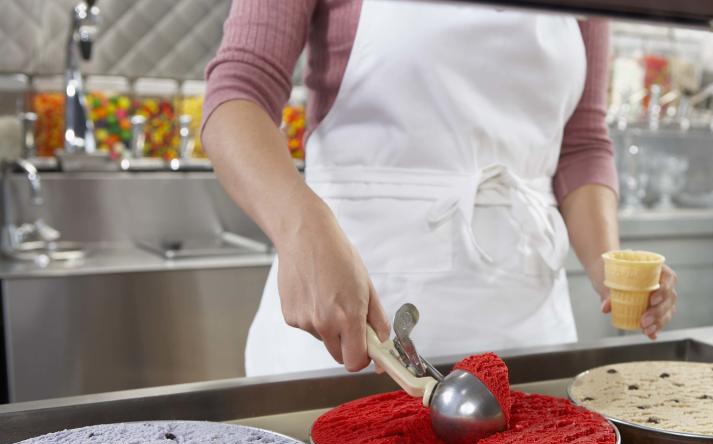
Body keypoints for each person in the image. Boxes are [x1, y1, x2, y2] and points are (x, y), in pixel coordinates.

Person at [202, 0, 679, 375]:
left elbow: (581, 143)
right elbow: (238, 93)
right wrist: (300, 227)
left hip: (528, 334)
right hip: (352, 329)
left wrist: (608, 267)